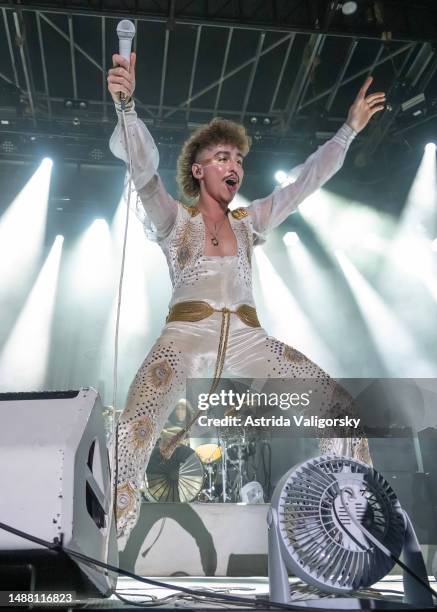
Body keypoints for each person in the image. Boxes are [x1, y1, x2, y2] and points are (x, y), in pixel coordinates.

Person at [107, 51, 386, 541]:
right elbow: (144, 174)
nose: (233, 165)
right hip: (183, 339)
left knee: (337, 404)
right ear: (198, 170)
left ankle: (347, 526)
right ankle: (109, 536)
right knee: (134, 427)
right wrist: (126, 107)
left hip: (248, 340)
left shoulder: (249, 221)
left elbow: (303, 183)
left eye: (238, 158)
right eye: (222, 157)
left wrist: (348, 131)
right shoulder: (177, 220)